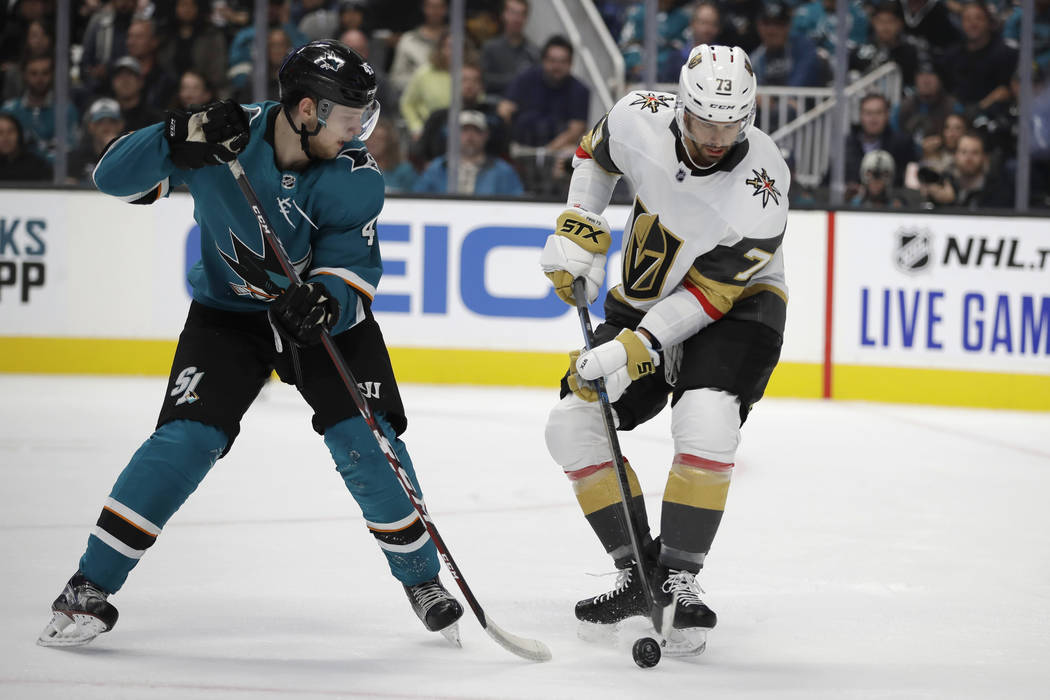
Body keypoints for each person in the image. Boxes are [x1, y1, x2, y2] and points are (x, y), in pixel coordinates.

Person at [36, 39, 464, 649]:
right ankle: (88, 585)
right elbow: (113, 180)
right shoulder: (223, 142)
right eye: (351, 118)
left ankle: (422, 580)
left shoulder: (355, 176)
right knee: (185, 440)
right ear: (309, 109)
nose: (360, 132)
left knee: (365, 442)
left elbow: (354, 271)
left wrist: (324, 298)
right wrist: (174, 132)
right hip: (227, 317)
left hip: (323, 325)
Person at [539, 44, 789, 655]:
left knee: (705, 418)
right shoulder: (636, 116)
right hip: (650, 289)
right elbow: (594, 156)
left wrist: (635, 345)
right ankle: (637, 571)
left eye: (731, 126)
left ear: (750, 117)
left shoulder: (764, 186)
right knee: (572, 423)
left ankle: (680, 574)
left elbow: (709, 298)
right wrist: (579, 229)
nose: (715, 138)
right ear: (681, 108)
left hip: (740, 306)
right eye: (705, 123)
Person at [498, 35, 589, 151]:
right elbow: (504, 108)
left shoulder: (580, 90)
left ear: (571, 64)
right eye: (552, 61)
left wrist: (546, 152)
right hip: (521, 144)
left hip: (557, 150)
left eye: (563, 62)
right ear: (543, 61)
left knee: (570, 153)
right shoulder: (525, 78)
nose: (557, 66)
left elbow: (577, 129)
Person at [412, 110, 523, 195]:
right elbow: (417, 201)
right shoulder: (438, 168)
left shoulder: (503, 171)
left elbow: (518, 205)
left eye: (476, 130)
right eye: (464, 130)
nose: (470, 136)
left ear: (486, 135)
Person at [0, 54, 79, 162]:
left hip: (53, 175)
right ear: (24, 75)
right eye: (34, 73)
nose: (39, 79)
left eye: (45, 73)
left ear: (52, 75)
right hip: (15, 174)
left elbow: (69, 150)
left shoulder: (66, 110)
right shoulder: (9, 110)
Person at [479, 0, 539, 97]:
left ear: (526, 18)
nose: (516, 19)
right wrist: (516, 80)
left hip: (525, 106)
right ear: (504, 15)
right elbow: (484, 81)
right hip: (494, 105)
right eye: (513, 13)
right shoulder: (490, 48)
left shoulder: (534, 51)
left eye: (521, 14)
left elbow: (537, 83)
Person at [67, 97, 125, 184]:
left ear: (120, 125)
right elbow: (67, 189)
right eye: (100, 121)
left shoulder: (128, 155)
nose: (106, 126)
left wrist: (114, 150)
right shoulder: (77, 158)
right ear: (91, 126)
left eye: (112, 121)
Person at [108, 56, 164, 132]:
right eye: (120, 76)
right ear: (112, 83)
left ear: (141, 82)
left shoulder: (154, 119)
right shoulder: (105, 119)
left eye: (130, 75)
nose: (125, 80)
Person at [849, 149, 916, 208]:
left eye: (883, 175)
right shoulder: (854, 205)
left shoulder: (897, 206)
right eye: (871, 174)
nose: (876, 181)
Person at [0, 111, 52, 181]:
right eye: (0, 132)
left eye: (10, 131)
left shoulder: (36, 166)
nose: (6, 138)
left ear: (19, 135)